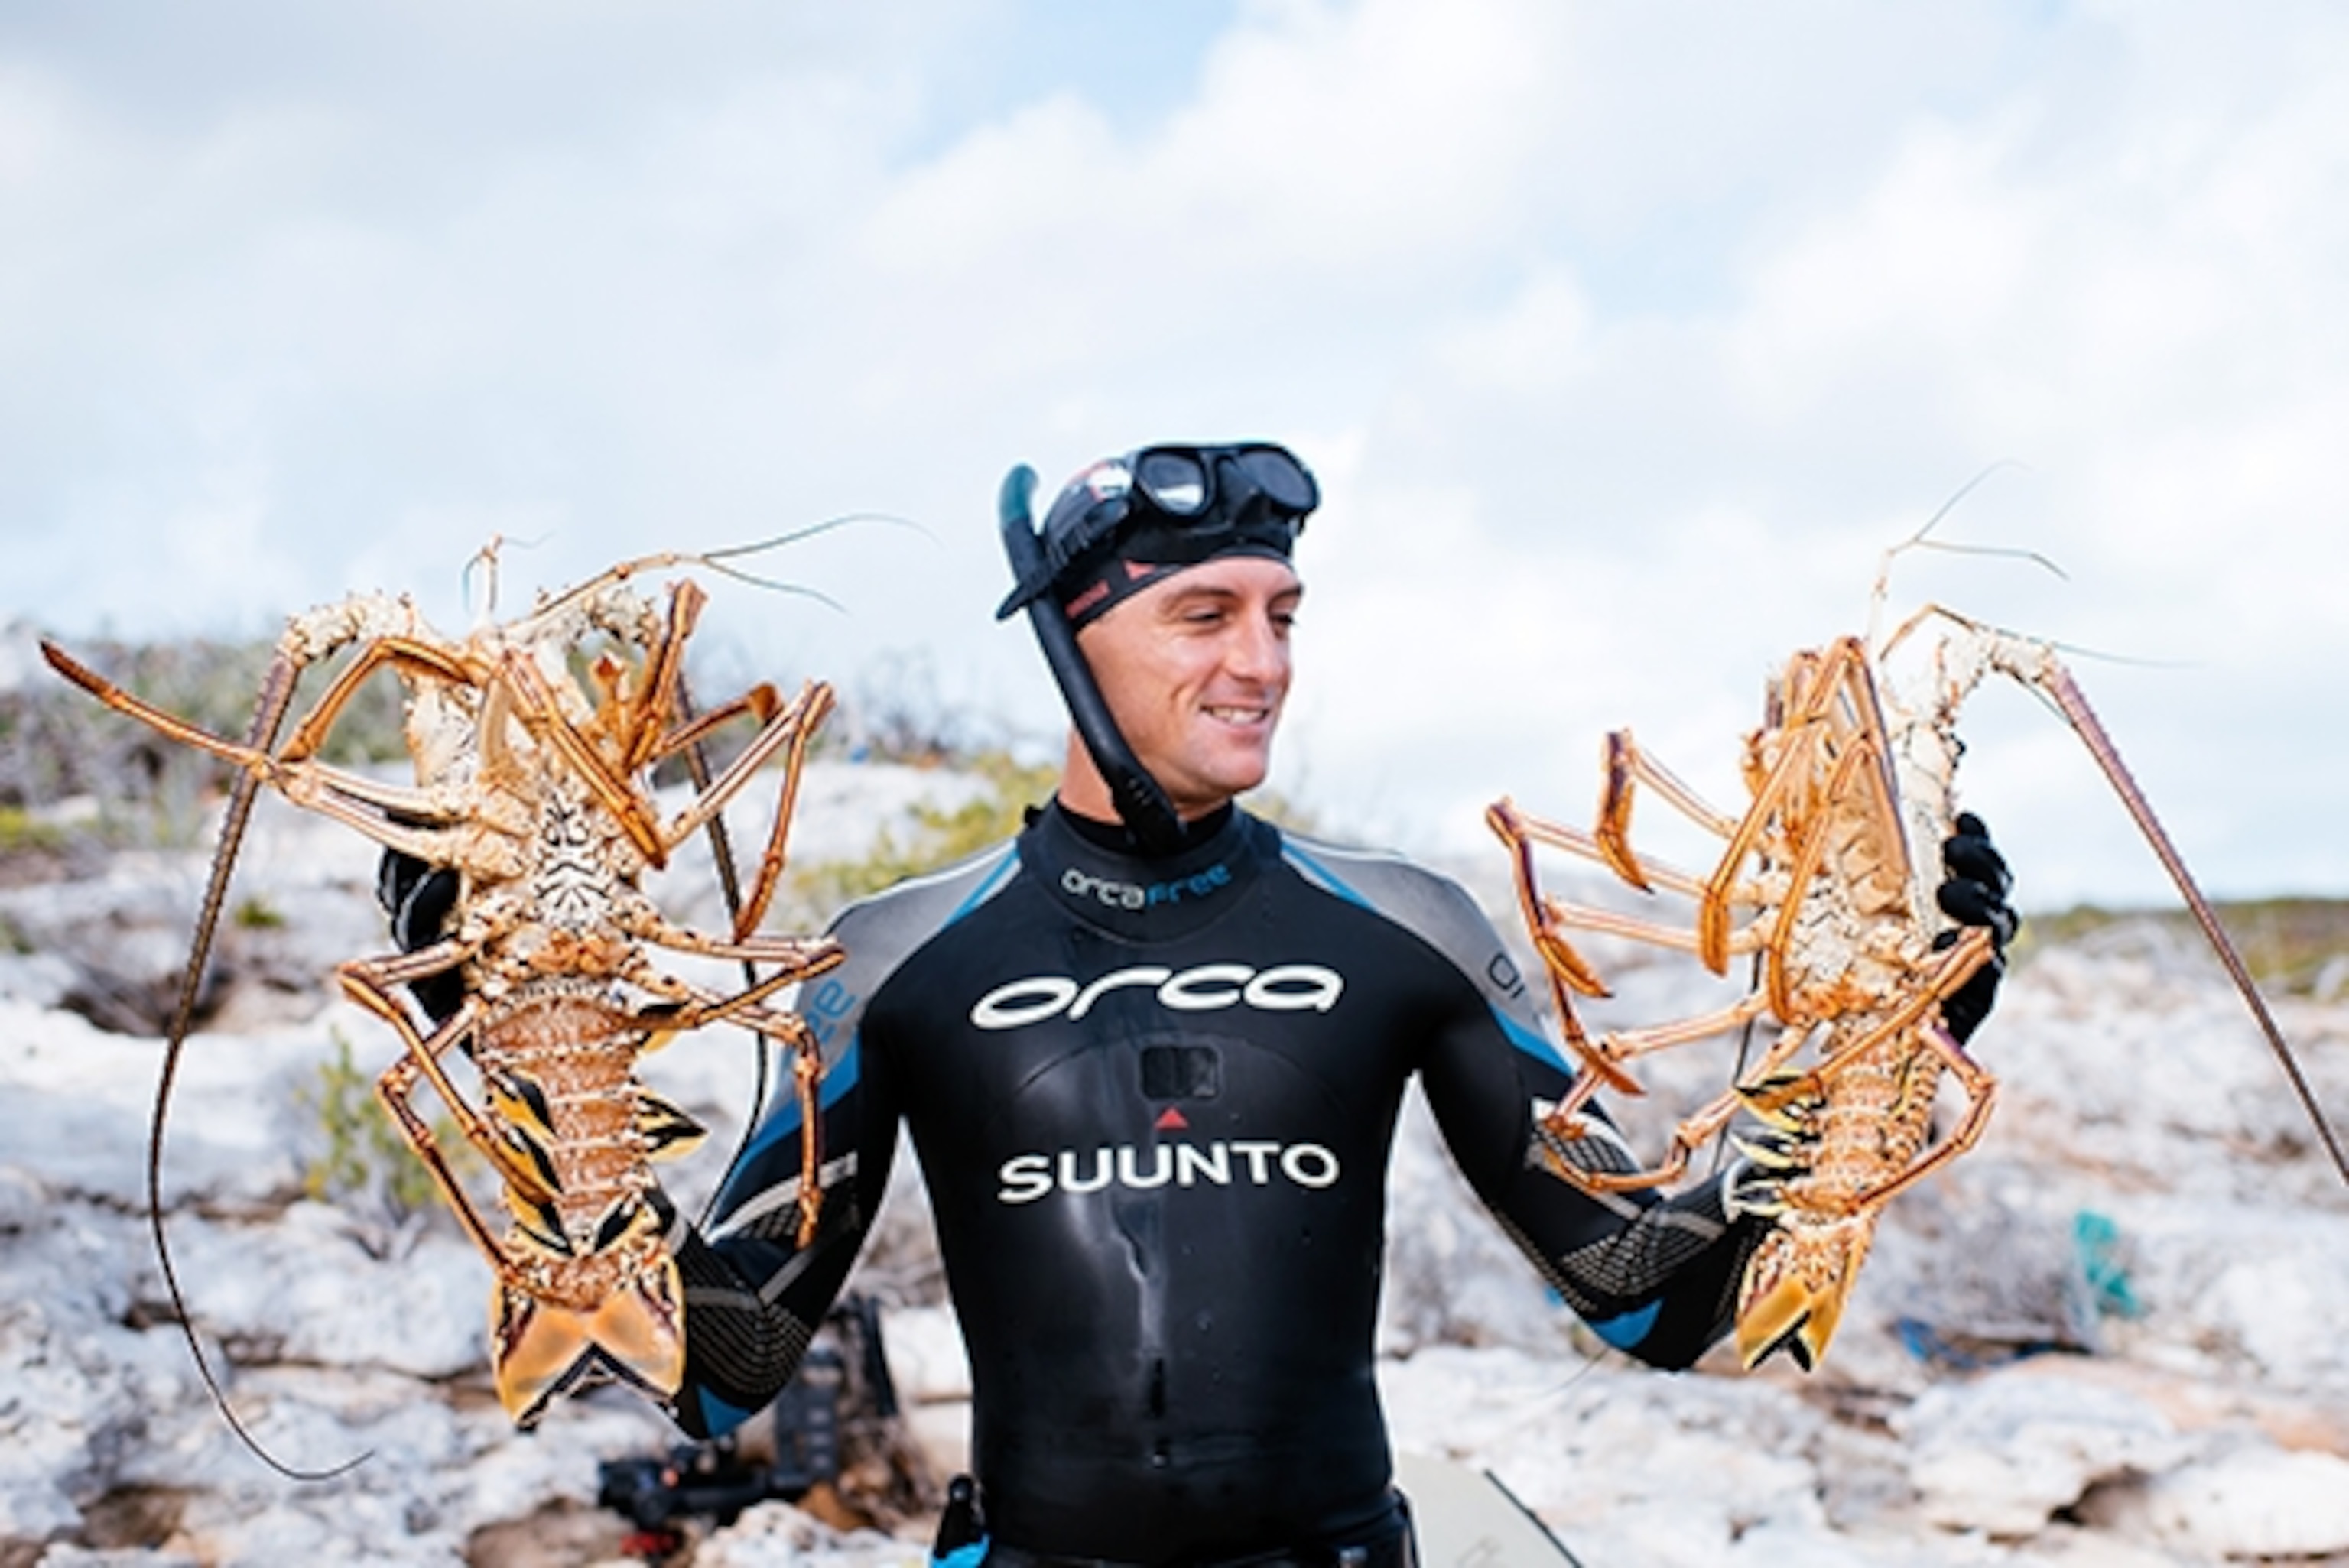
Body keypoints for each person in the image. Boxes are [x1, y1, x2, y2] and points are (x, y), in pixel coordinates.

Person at [379, 442, 2016, 1564]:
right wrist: (508, 1050)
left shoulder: (1407, 928)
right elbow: (720, 1364)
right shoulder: (889, 960)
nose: (1266, 662)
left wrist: (1883, 1033)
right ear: (1076, 643)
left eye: (1285, 615)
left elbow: (1664, 1298)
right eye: (1207, 613)